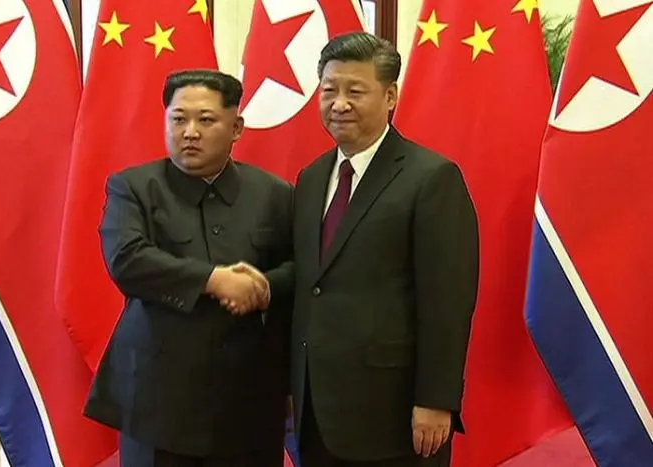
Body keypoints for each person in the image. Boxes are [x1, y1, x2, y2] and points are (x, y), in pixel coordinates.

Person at [84, 69, 293, 467]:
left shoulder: (274, 194)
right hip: (157, 401)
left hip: (249, 399)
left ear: (236, 128)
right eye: (178, 119)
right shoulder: (134, 187)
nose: (190, 132)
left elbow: (301, 269)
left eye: (206, 120)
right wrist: (213, 281)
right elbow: (127, 259)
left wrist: (264, 287)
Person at [289, 32, 479, 467]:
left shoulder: (431, 178)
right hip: (316, 409)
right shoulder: (311, 178)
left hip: (393, 413)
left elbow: (448, 301)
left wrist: (436, 399)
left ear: (390, 96)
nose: (339, 104)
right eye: (329, 91)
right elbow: (310, 287)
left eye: (355, 92)